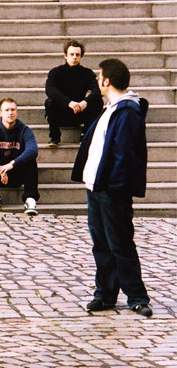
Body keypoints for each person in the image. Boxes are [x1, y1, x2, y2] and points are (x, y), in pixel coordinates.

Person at [71, 59, 152, 317]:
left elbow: (124, 154)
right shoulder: (112, 108)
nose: (97, 81)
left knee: (120, 243)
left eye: (99, 77)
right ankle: (105, 294)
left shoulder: (127, 111)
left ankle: (137, 296)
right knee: (102, 244)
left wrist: (115, 187)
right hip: (96, 186)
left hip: (111, 189)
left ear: (107, 81)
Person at [0, 97, 40, 215]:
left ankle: (30, 199)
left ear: (17, 112)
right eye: (6, 110)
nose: (10, 113)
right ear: (0, 113)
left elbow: (33, 150)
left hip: (17, 172)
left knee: (31, 160)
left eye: (13, 110)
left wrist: (11, 164)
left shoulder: (24, 130)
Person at [44, 40, 102, 147]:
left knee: (98, 101)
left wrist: (85, 102)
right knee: (50, 102)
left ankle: (86, 135)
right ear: (65, 56)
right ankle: (54, 137)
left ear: (81, 57)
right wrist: (69, 103)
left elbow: (97, 90)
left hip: (79, 112)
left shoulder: (87, 73)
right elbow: (50, 90)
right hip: (61, 114)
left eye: (77, 55)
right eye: (71, 54)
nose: (74, 57)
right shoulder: (56, 72)